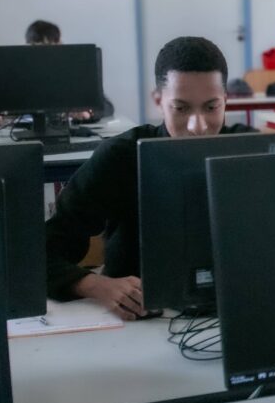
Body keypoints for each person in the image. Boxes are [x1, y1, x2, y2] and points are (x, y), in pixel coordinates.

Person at [45, 37, 253, 320]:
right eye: (181, 108)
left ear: (226, 100)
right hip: (140, 322)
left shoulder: (252, 153)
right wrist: (94, 285)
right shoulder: (122, 157)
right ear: (159, 101)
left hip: (234, 315)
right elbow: (42, 250)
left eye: (211, 107)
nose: (198, 126)